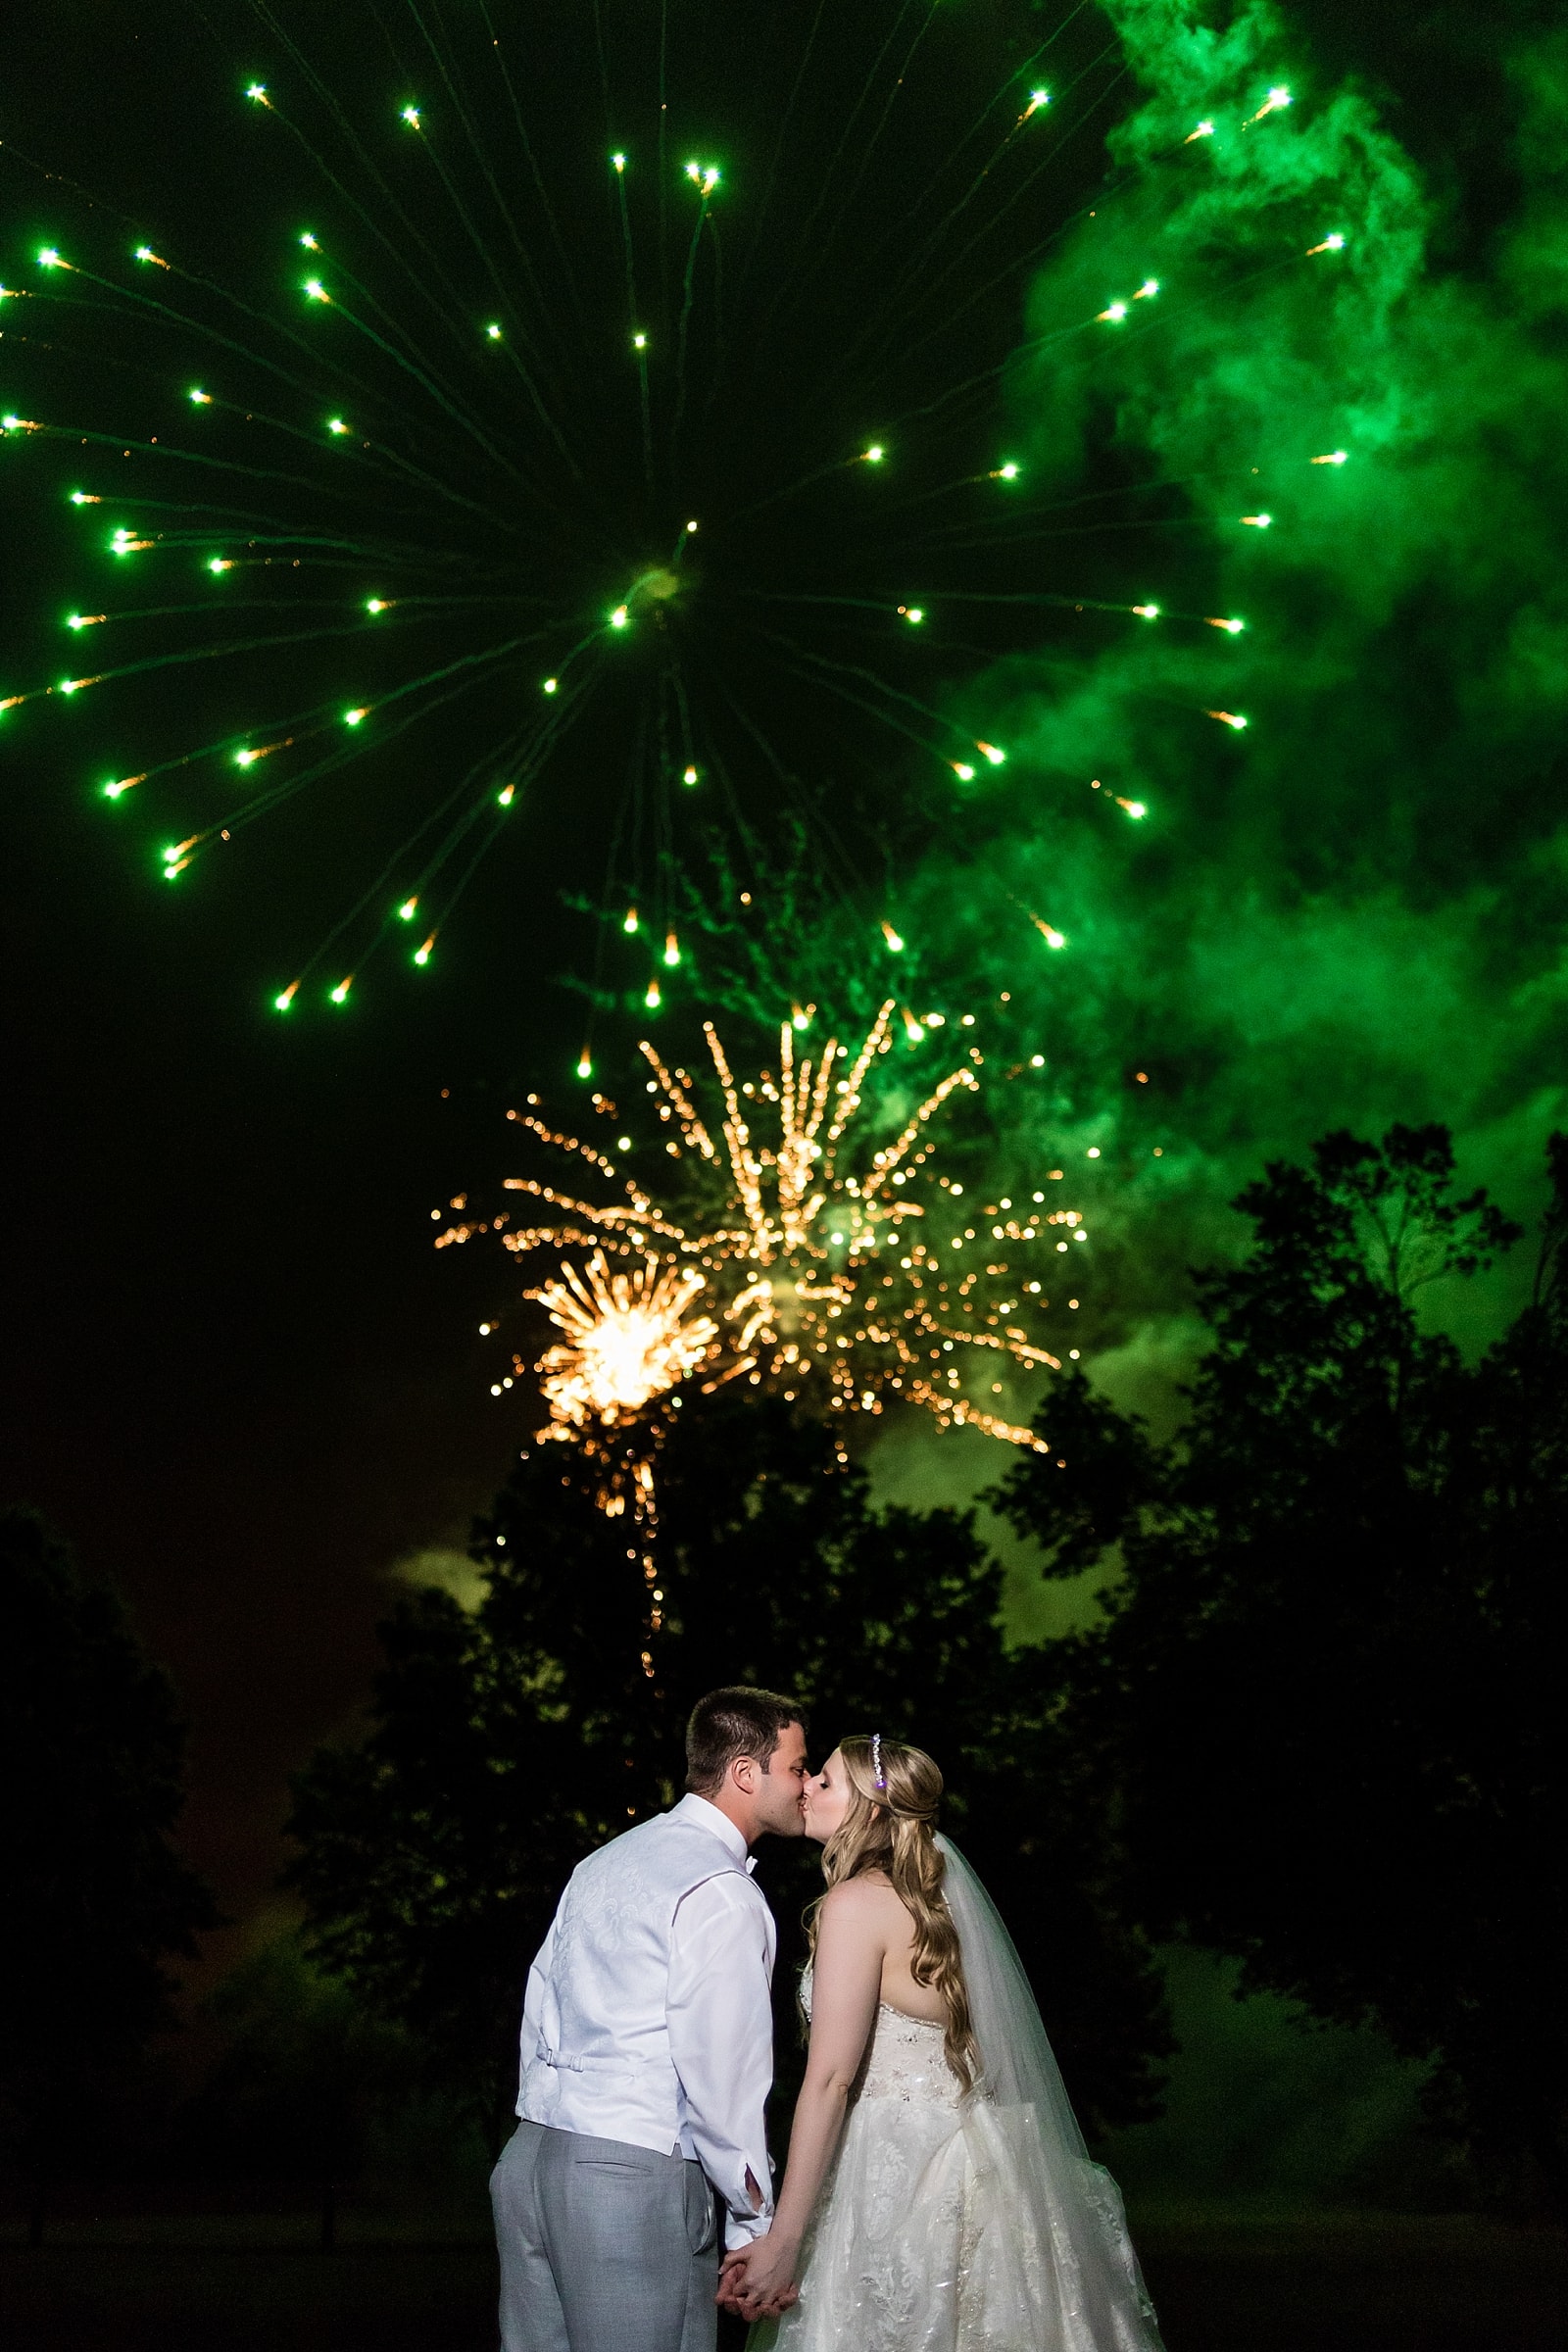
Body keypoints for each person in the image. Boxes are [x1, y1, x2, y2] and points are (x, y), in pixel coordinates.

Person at [720, 1734, 1165, 2352]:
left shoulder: (854, 1906)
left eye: (825, 1780)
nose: (807, 1788)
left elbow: (830, 2079)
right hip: (975, 2159)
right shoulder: (927, 1901)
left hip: (892, 2170)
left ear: (870, 1811)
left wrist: (785, 2240)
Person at [490, 1686, 809, 2352]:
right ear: (745, 1774)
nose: (805, 1785)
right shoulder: (721, 1892)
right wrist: (755, 2223)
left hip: (531, 2162)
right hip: (629, 2176)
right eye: (796, 1768)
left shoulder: (605, 1860)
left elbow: (540, 2000)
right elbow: (722, 2075)